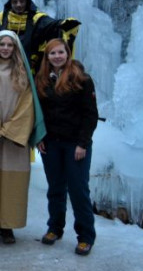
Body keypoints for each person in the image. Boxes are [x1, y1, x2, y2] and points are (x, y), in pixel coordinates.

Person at [0, 31, 45, 244]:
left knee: (13, 182)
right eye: (1, 44)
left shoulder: (23, 73)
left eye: (9, 45)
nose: (5, 48)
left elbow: (27, 104)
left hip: (15, 137)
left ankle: (8, 225)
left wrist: (12, 129)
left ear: (15, 49)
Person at [35, 38, 98, 256]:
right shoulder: (42, 79)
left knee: (79, 190)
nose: (57, 57)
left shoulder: (81, 79)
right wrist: (39, 136)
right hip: (51, 143)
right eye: (52, 53)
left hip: (75, 144)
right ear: (47, 57)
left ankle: (86, 236)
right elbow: (38, 112)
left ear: (67, 53)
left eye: (60, 52)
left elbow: (90, 115)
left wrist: (83, 143)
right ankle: (54, 228)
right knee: (55, 188)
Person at [0, 0, 81, 73]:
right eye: (15, 1)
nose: (19, 4)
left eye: (22, 1)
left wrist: (65, 25)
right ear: (10, 3)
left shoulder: (36, 18)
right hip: (6, 67)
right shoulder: (3, 18)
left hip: (31, 69)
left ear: (27, 1)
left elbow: (52, 25)